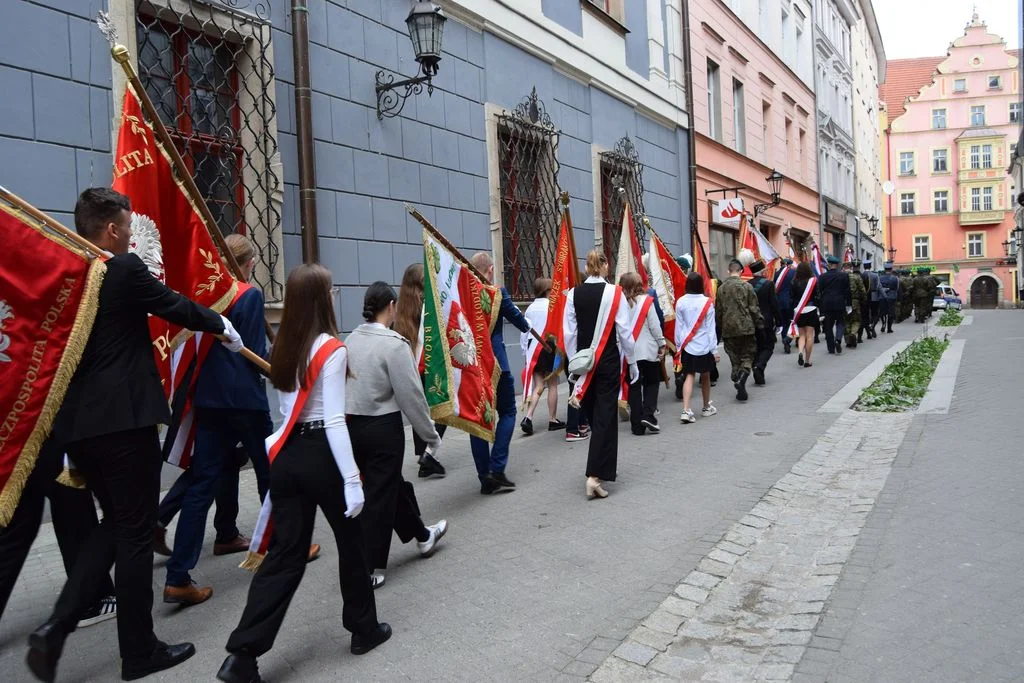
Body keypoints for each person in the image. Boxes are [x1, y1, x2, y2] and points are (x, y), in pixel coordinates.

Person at [27, 188, 243, 682]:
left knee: (118, 526)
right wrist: (221, 325)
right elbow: (172, 305)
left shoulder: (70, 271)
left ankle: (57, 626)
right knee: (135, 533)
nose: (130, 234)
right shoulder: (119, 268)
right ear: (111, 231)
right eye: (127, 227)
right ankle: (138, 650)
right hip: (123, 424)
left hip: (81, 428)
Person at [217, 264, 390, 683]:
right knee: (352, 543)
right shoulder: (331, 348)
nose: (333, 296)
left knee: (284, 556)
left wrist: (239, 347)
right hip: (320, 454)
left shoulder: (285, 346)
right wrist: (352, 480)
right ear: (318, 298)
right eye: (330, 290)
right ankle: (364, 629)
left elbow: (283, 413)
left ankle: (242, 654)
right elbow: (333, 421)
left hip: (288, 458)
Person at [161, 234, 274, 607]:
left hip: (209, 401)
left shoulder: (203, 295)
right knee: (270, 469)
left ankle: (179, 575)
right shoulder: (249, 295)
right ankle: (282, 542)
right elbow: (253, 353)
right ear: (248, 262)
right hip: (244, 400)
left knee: (200, 486)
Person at [345, 282, 448, 590]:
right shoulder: (394, 344)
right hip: (383, 430)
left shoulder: (350, 339)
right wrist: (430, 436)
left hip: (353, 427)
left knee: (389, 486)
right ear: (391, 306)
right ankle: (372, 566)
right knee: (378, 497)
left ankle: (423, 536)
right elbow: (411, 396)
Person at [0, 438, 115, 628]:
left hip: (20, 432)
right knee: (74, 510)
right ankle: (93, 600)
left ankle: (93, 597)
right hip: (48, 432)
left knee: (19, 527)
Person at [564, 250, 636, 499]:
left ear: (587, 267)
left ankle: (599, 467)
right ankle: (594, 475)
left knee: (596, 415)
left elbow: (569, 333)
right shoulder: (615, 293)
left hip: (585, 363)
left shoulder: (573, 294)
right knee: (605, 416)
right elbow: (625, 332)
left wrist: (576, 362)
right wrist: (632, 362)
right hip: (606, 361)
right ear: (605, 266)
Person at [469, 252, 534, 495]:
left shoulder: (464, 294)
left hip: (472, 366)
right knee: (507, 412)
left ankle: (484, 477)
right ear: (490, 270)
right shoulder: (496, 292)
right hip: (497, 364)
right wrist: (529, 326)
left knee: (476, 421)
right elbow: (519, 320)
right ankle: (496, 468)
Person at [393, 263, 446, 479]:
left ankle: (423, 457)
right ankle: (428, 454)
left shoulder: (400, 310)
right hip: (427, 367)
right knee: (443, 411)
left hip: (412, 371)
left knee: (421, 412)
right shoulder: (426, 307)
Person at [619, 272, 666, 436]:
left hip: (629, 353)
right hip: (648, 350)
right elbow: (655, 326)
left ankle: (636, 425)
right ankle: (648, 415)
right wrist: (662, 344)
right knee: (652, 383)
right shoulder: (647, 301)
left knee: (634, 386)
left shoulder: (620, 304)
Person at [520, 277, 565, 435]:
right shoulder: (552, 306)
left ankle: (528, 417)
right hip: (548, 348)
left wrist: (525, 352)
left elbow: (524, 331)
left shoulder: (530, 308)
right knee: (552, 384)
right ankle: (552, 419)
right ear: (547, 290)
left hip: (533, 351)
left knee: (538, 386)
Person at [714, 258, 763, 401]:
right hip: (746, 327)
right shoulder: (746, 286)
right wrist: (760, 324)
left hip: (728, 329)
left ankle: (737, 376)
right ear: (741, 271)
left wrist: (720, 327)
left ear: (729, 271)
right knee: (748, 355)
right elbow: (754, 308)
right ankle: (741, 378)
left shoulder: (721, 289)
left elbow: (718, 311)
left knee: (734, 357)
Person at [675, 272, 718, 423]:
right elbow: (710, 328)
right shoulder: (707, 302)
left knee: (689, 375)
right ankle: (706, 407)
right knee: (705, 376)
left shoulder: (680, 302)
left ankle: (686, 410)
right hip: (704, 345)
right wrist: (714, 350)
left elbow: (678, 327)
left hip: (688, 345)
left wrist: (678, 347)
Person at [749, 260, 781, 386]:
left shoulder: (747, 285)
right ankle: (760, 367)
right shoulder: (768, 284)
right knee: (768, 346)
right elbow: (774, 304)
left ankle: (758, 375)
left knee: (756, 348)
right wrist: (779, 320)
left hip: (751, 322)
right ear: (762, 271)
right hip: (766, 321)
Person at [817, 255, 851, 354]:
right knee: (840, 322)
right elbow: (847, 291)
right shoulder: (844, 275)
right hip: (840, 302)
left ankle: (831, 348)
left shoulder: (822, 276)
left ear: (829, 264)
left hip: (827, 304)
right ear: (837, 265)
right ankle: (838, 339)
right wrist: (848, 304)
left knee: (828, 326)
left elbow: (819, 291)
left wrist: (820, 306)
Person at [790, 262, 819, 368]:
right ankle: (807, 361)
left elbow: (792, 297)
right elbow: (817, 295)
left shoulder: (794, 282)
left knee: (801, 335)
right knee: (810, 336)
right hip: (811, 309)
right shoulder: (813, 281)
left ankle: (800, 352)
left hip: (799, 310)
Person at [774, 258, 797, 354]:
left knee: (784, 323)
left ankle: (784, 339)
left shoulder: (776, 273)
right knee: (791, 322)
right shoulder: (792, 272)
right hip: (790, 301)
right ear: (788, 264)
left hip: (779, 302)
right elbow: (795, 286)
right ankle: (788, 339)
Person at [843, 260, 866, 349]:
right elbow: (862, 290)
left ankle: (848, 341)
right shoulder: (856, 277)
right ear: (851, 268)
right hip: (855, 302)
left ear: (843, 268)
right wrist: (864, 300)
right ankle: (853, 333)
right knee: (856, 320)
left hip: (844, 303)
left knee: (846, 321)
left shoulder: (841, 277)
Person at [879, 262, 900, 333]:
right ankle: (889, 328)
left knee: (883, 312)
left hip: (882, 297)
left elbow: (878, 287)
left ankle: (883, 323)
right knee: (891, 312)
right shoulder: (895, 278)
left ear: (885, 269)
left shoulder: (880, 277)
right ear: (891, 269)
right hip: (892, 296)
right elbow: (897, 288)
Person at [863, 260, 881, 339]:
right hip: (874, 296)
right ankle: (873, 325)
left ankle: (868, 333)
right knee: (875, 314)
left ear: (864, 266)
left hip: (864, 297)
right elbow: (877, 286)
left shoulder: (862, 275)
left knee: (865, 315)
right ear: (870, 266)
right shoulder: (875, 275)